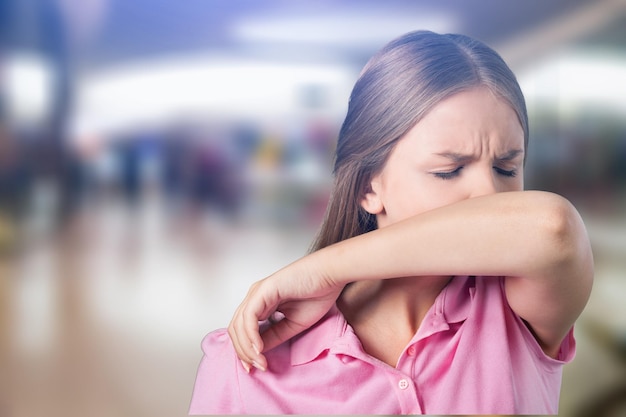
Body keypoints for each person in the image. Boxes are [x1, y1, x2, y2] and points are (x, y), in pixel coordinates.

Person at [189, 30, 593, 415]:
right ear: (368, 187)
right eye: (449, 171)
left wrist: (324, 268)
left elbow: (553, 229)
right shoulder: (245, 365)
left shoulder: (516, 306)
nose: (490, 197)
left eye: (507, 168)